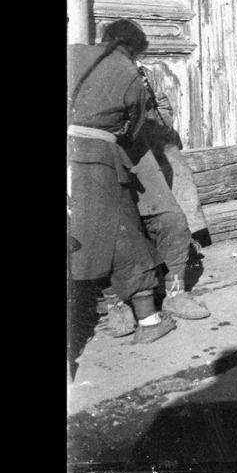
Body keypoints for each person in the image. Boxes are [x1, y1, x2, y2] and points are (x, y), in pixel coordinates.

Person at [69, 25, 176, 346]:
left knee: (80, 233)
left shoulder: (73, 52)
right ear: (135, 49)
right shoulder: (131, 75)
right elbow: (132, 130)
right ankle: (150, 320)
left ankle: (110, 307)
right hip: (98, 159)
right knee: (124, 232)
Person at [101, 20, 212, 320]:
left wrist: (152, 112)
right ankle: (117, 303)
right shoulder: (94, 75)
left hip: (145, 150)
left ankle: (176, 291)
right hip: (107, 158)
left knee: (173, 219)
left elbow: (162, 109)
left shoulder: (144, 74)